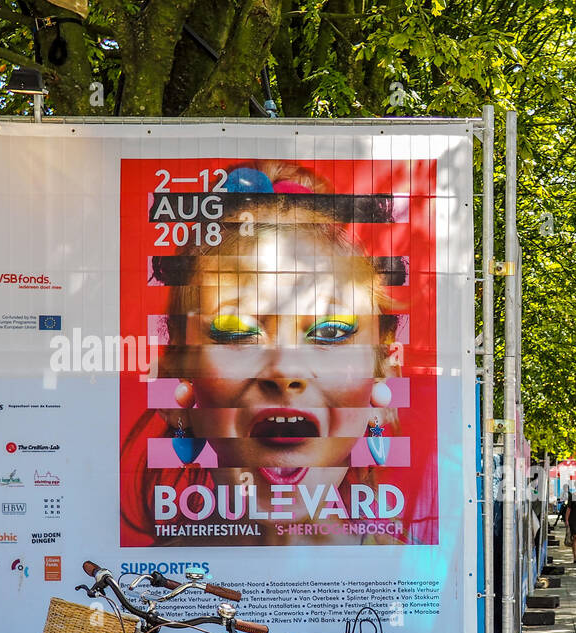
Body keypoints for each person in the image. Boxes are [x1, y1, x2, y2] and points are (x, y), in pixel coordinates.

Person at [121, 160, 410, 547]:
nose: (285, 368)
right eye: (238, 331)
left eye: (330, 331)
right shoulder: (146, 592)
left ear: (381, 383)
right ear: (177, 388)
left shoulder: (415, 588)